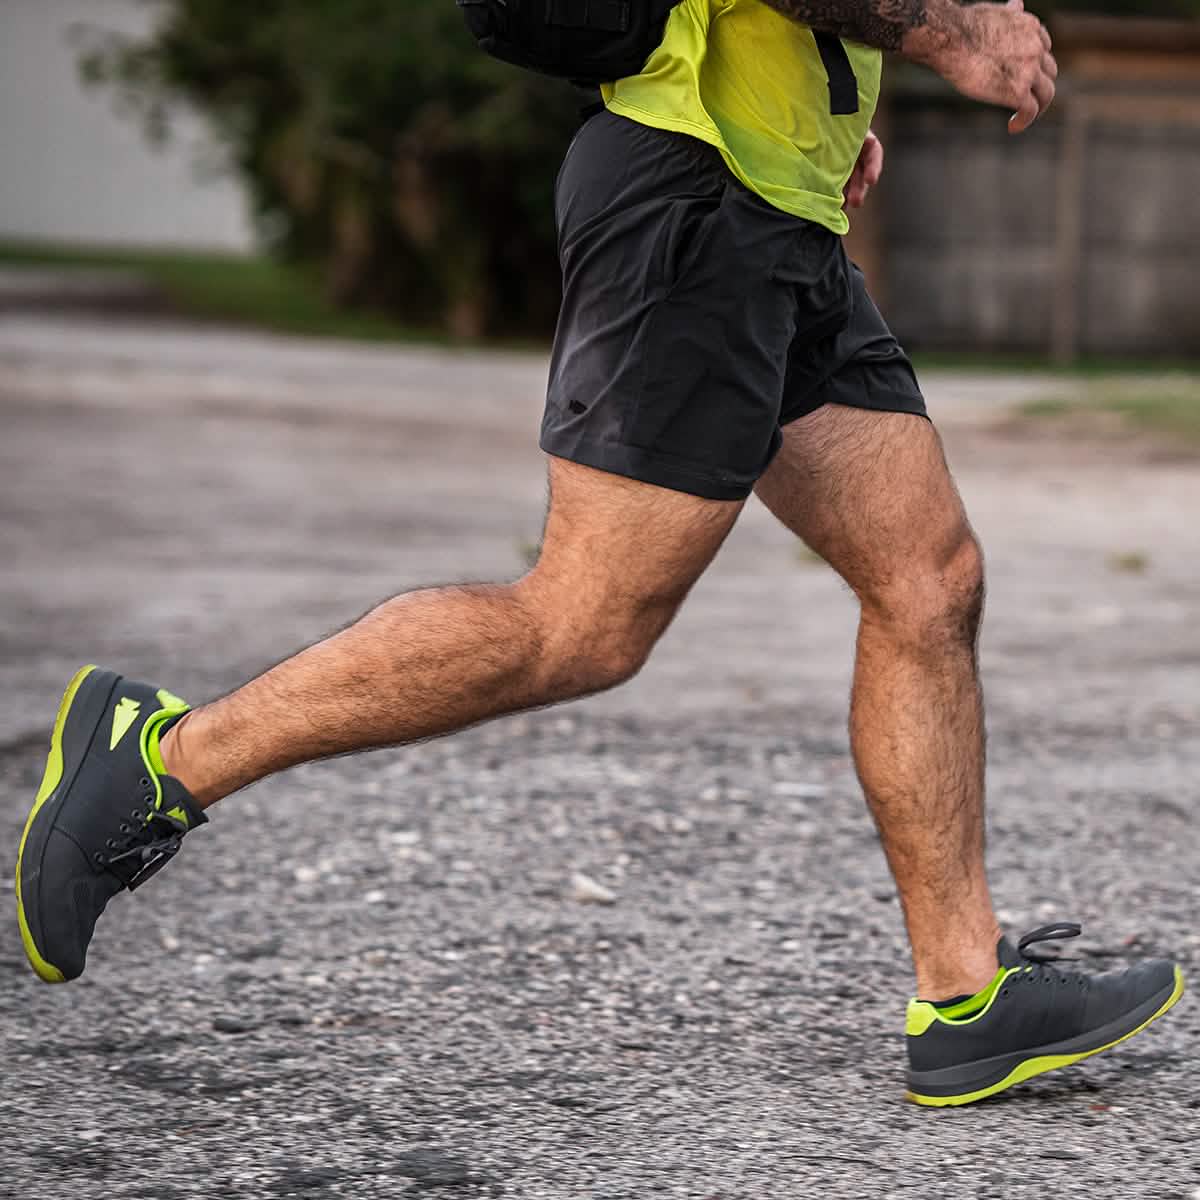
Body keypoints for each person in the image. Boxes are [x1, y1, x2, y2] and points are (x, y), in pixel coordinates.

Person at [15, 0, 1183, 1107]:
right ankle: (158, 761)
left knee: (929, 578)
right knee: (580, 625)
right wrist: (955, 26)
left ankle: (965, 993)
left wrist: (824, 120)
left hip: (775, 204)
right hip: (696, 205)